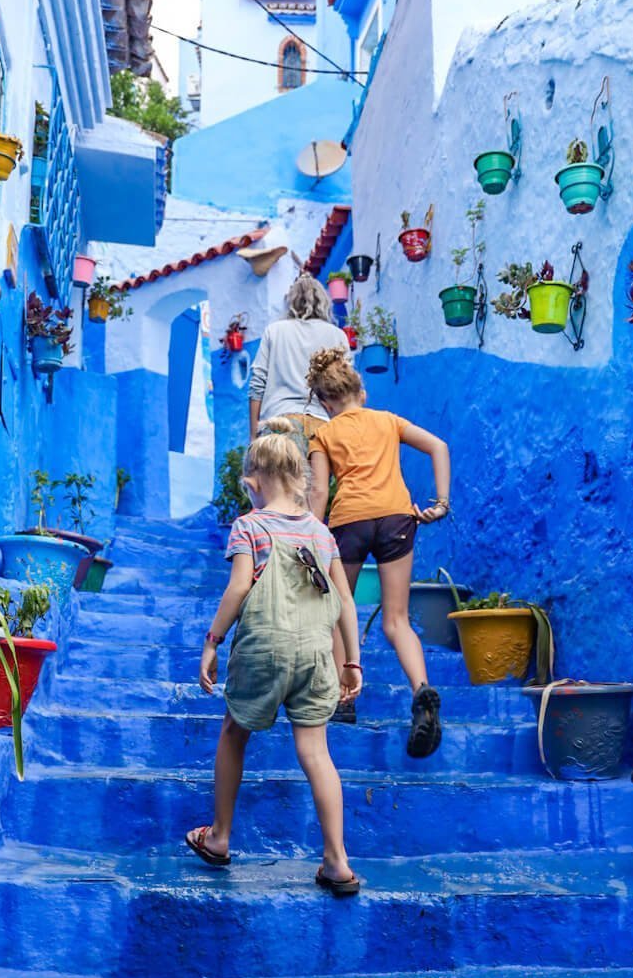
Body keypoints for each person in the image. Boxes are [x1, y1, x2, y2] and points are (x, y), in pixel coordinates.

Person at [186, 419, 364, 895]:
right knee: (316, 751)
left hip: (264, 649)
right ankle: (337, 861)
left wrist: (212, 641)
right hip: (315, 654)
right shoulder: (321, 534)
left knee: (234, 731)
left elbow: (239, 587)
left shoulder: (250, 526)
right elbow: (345, 601)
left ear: (254, 482)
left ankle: (219, 837)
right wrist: (351, 662)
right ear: (299, 478)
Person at [306, 347, 451, 759]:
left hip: (349, 523)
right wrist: (440, 504)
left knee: (338, 613)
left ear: (325, 403)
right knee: (396, 620)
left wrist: (309, 537)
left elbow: (319, 493)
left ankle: (344, 700)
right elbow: (439, 446)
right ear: (362, 393)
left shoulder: (323, 435)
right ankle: (421, 691)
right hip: (397, 518)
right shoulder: (389, 420)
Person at [248, 274, 352, 446]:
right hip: (322, 423)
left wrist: (253, 435)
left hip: (278, 423)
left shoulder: (274, 331)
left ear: (291, 301)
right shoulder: (337, 335)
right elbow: (346, 389)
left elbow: (257, 385)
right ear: (323, 302)